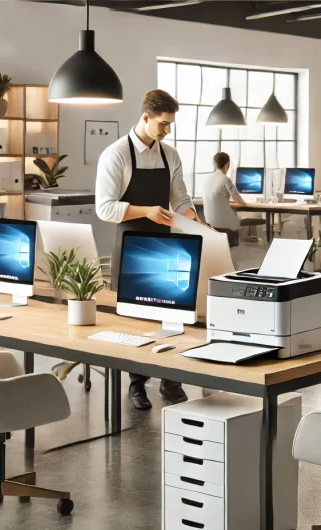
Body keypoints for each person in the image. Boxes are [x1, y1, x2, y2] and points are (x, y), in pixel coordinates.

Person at [95, 89, 204, 410]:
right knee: (138, 321)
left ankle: (172, 380)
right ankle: (137, 384)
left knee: (175, 316)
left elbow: (180, 198)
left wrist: (197, 222)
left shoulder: (170, 155)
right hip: (131, 246)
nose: (167, 130)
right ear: (145, 118)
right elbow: (105, 208)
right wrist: (146, 211)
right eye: (163, 124)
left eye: (170, 125)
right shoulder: (115, 155)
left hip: (169, 247)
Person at [201, 152, 246, 232]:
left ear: (215, 164)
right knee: (240, 220)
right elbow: (238, 199)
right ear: (227, 164)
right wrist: (244, 203)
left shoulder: (206, 179)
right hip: (226, 225)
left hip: (210, 223)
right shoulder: (225, 179)